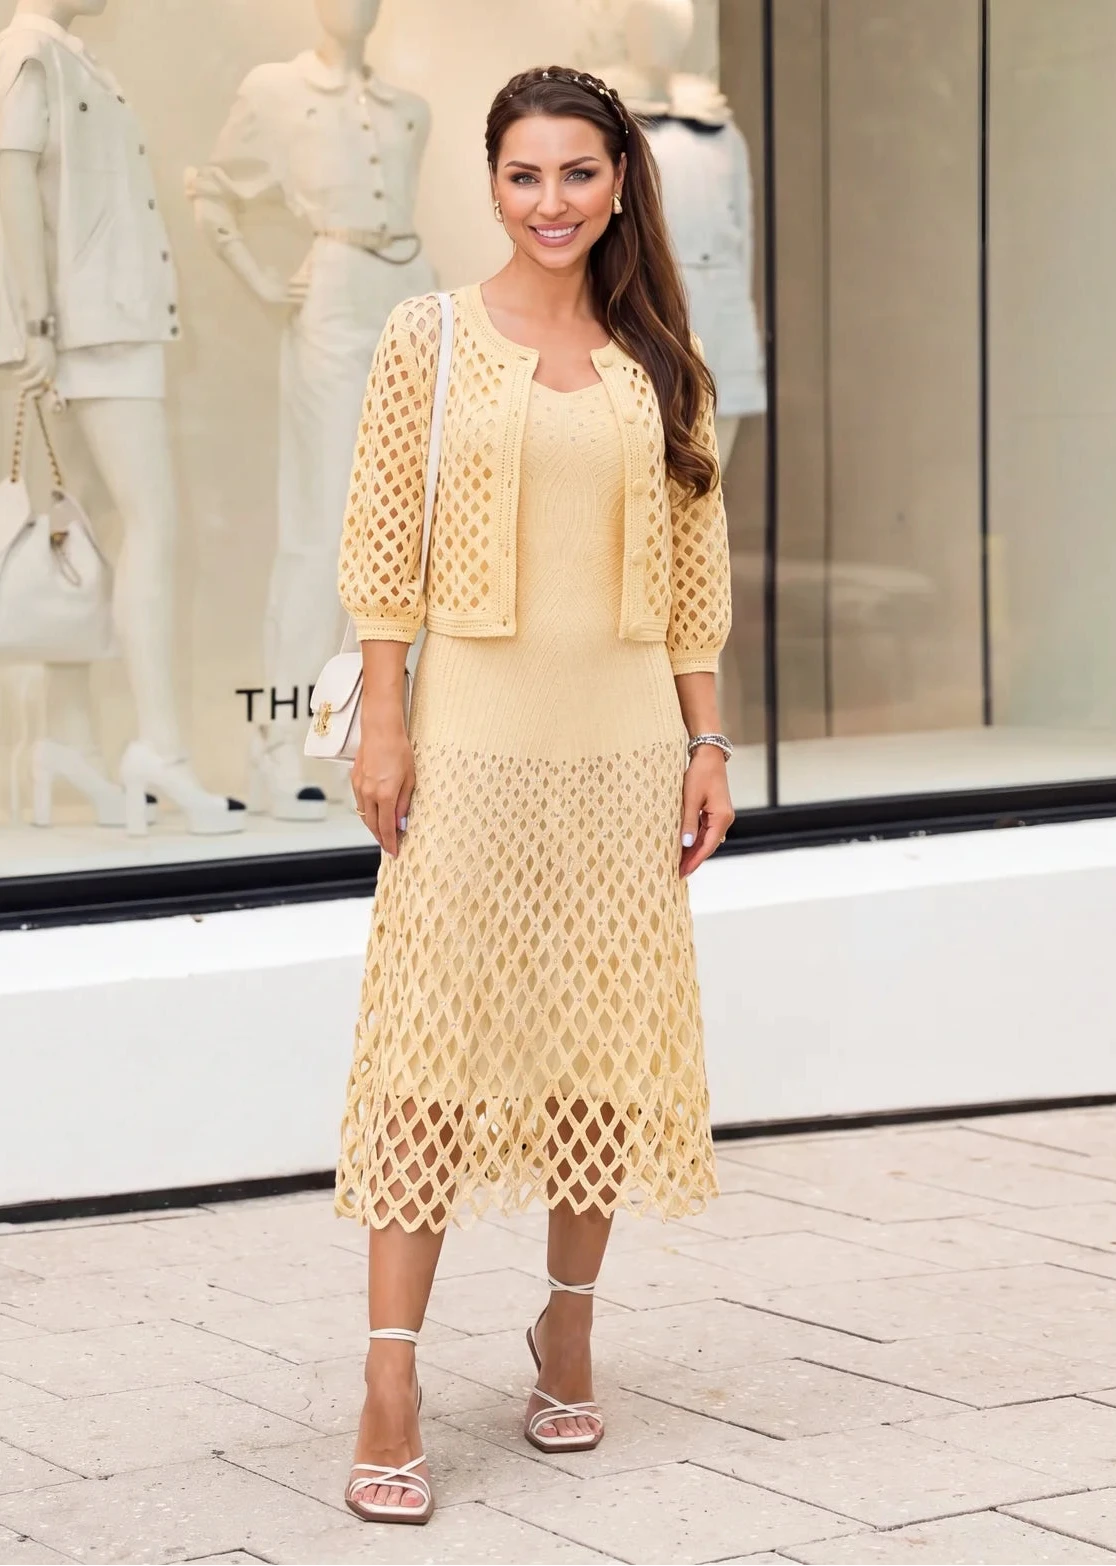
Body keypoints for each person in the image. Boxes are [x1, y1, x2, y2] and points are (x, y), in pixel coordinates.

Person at [333, 63, 734, 1526]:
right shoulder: (426, 337)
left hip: (622, 753)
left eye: (579, 173)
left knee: (598, 1054)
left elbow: (697, 580)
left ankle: (566, 1324)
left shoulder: (655, 360)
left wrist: (708, 745)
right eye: (524, 175)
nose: (551, 201)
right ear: (491, 185)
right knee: (427, 1064)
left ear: (620, 181)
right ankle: (391, 1378)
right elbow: (380, 548)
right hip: (477, 748)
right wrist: (389, 724)